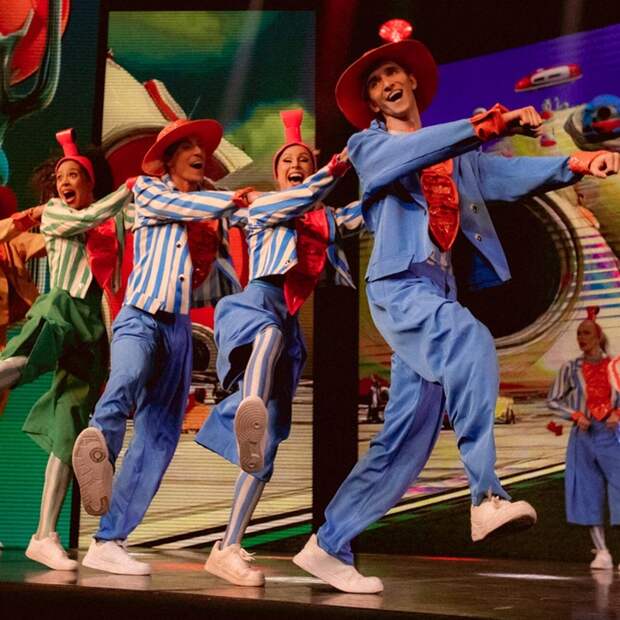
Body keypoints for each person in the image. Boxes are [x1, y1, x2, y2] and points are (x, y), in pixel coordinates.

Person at [292, 33, 620, 593]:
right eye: (375, 82)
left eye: (393, 74)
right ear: (371, 103)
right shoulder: (369, 146)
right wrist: (486, 125)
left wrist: (577, 161)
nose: (387, 84)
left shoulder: (456, 152)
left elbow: (502, 178)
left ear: (412, 81)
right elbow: (409, 155)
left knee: (407, 438)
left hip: (437, 288)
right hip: (400, 285)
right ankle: (486, 496)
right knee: (470, 340)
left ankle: (327, 543)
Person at [71, 118, 254, 576]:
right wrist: (234, 198)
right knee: (126, 379)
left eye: (201, 147)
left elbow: (249, 219)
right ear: (169, 159)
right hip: (140, 316)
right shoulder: (151, 191)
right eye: (187, 146)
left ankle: (109, 540)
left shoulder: (212, 207)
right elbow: (185, 206)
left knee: (160, 435)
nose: (199, 153)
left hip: (179, 328)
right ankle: (99, 452)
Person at [194, 109, 356, 586]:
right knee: (267, 335)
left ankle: (227, 546)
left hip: (287, 321)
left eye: (305, 160)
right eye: (289, 160)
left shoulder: (322, 218)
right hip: (254, 304)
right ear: (277, 171)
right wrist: (336, 168)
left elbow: (359, 215)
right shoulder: (265, 205)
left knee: (263, 455)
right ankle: (249, 408)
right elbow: (303, 198)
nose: (297, 166)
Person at [0, 129, 131, 571]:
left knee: (68, 430)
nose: (64, 183)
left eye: (73, 175)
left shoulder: (110, 217)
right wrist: (128, 191)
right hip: (59, 307)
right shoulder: (58, 212)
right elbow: (89, 217)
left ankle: (44, 535)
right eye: (60, 177)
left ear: (90, 181)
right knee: (21, 362)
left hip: (90, 325)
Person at [549, 307, 620, 570]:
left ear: (598, 336)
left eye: (586, 333)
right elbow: (553, 400)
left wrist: (617, 413)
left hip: (612, 435)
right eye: (579, 333)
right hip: (584, 436)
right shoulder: (571, 368)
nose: (581, 338)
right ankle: (602, 551)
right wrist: (575, 414)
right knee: (588, 491)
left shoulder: (615, 366)